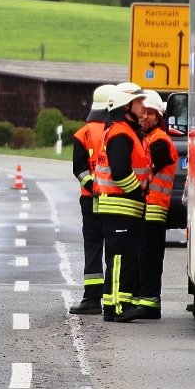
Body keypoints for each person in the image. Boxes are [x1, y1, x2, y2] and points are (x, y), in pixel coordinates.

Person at [94, 85, 149, 322]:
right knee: (117, 258)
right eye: (138, 102)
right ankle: (115, 307)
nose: (142, 107)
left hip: (123, 206)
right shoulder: (120, 133)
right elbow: (119, 172)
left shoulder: (124, 131)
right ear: (125, 106)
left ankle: (122, 303)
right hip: (120, 205)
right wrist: (137, 192)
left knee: (124, 258)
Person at [126, 90, 178, 321]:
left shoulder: (159, 141)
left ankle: (149, 303)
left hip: (153, 208)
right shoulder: (147, 138)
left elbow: (146, 170)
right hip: (144, 208)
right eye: (142, 113)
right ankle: (142, 302)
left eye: (150, 113)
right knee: (141, 256)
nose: (144, 117)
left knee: (148, 257)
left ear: (158, 116)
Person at [68, 84, 115, 315]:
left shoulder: (82, 133)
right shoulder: (120, 131)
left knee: (94, 247)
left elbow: (79, 169)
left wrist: (94, 187)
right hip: (116, 200)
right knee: (115, 249)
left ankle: (91, 299)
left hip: (90, 200)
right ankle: (113, 297)